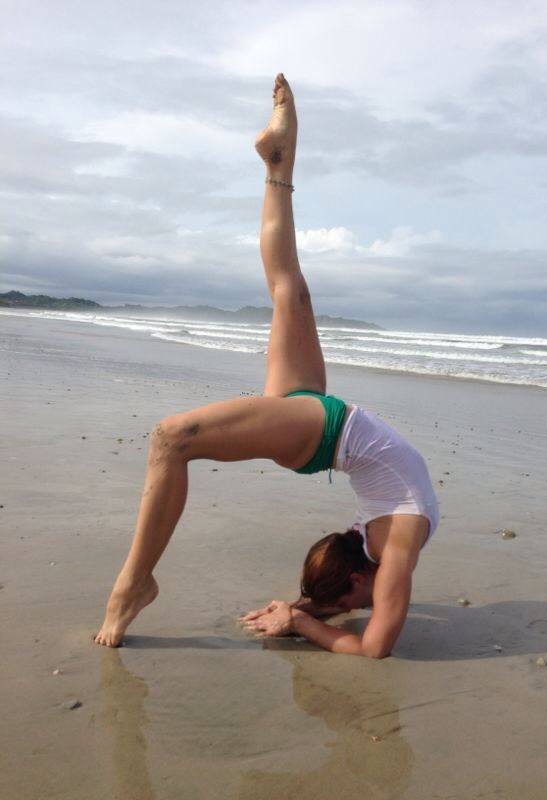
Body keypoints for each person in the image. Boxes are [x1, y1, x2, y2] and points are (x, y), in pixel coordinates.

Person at [94, 73, 439, 657]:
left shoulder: (381, 546)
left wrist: (301, 617)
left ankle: (132, 585)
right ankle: (280, 164)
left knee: (171, 439)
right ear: (356, 579)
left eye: (352, 606)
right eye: (354, 603)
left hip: (325, 429)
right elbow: (375, 646)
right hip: (324, 422)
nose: (363, 608)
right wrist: (305, 613)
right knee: (288, 289)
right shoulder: (395, 547)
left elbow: (372, 638)